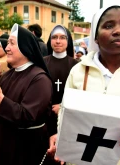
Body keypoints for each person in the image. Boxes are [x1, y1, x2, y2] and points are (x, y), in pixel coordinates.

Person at [48, 5, 120, 165]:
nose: (119, 31)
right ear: (95, 36)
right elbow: (64, 112)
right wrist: (62, 139)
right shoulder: (79, 70)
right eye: (109, 26)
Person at [0, 23, 52, 165]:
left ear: (25, 47)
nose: (6, 48)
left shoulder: (40, 79)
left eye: (11, 43)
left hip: (23, 149)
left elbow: (26, 116)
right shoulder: (8, 74)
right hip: (3, 144)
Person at [43, 25, 77, 165]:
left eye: (62, 37)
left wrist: (63, 107)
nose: (58, 41)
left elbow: (80, 94)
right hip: (44, 117)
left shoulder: (76, 65)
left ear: (68, 41)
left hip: (67, 119)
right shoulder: (42, 62)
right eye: (54, 37)